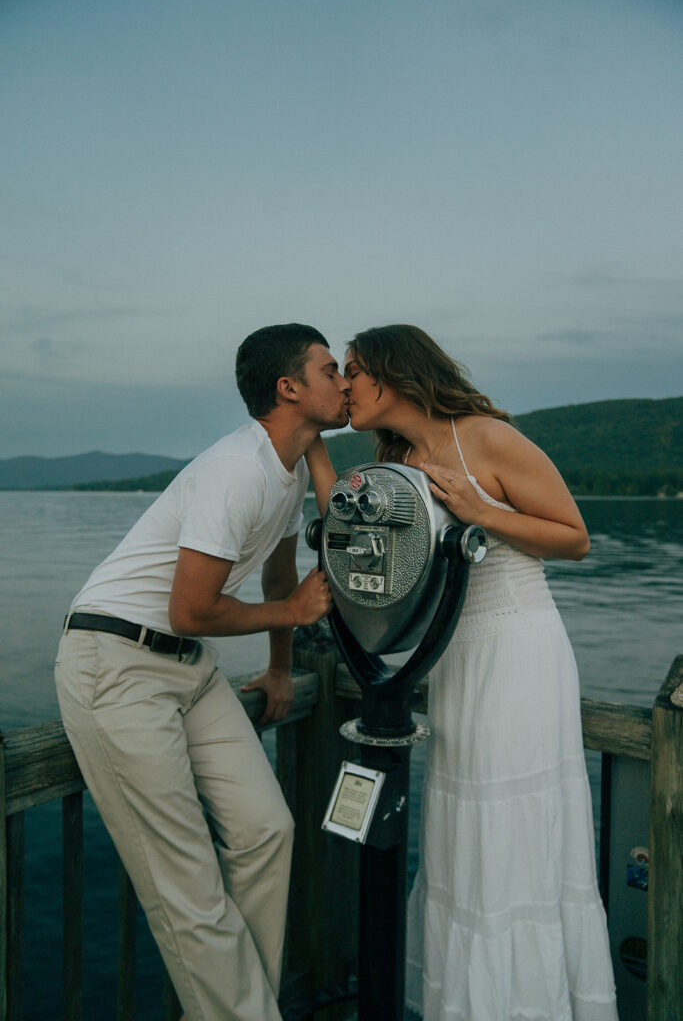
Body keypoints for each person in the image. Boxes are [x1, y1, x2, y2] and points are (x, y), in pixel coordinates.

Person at [306, 324, 618, 1021]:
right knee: (462, 831)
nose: (346, 385)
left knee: (510, 827)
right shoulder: (402, 458)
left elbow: (573, 537)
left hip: (516, 648)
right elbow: (344, 522)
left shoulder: (487, 438)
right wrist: (312, 448)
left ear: (392, 374)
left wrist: (480, 511)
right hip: (454, 658)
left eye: (353, 370)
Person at [55, 323, 351, 1021]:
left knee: (266, 831)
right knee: (187, 886)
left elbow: (281, 569)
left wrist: (280, 670)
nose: (345, 381)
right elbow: (191, 608)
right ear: (289, 387)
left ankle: (233, 1008)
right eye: (330, 369)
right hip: (116, 665)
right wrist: (293, 613)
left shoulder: (285, 467)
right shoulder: (236, 470)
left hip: (190, 670)